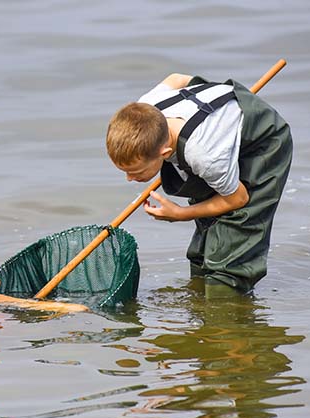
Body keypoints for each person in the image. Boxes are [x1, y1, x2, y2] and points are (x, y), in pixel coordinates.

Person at [106, 72, 292, 293]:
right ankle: (200, 298)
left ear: (164, 152)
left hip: (262, 143)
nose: (129, 179)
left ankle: (227, 305)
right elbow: (176, 79)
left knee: (232, 248)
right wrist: (217, 107)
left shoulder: (203, 156)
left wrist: (181, 214)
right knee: (204, 247)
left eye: (136, 171)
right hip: (214, 142)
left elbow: (239, 198)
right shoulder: (146, 107)